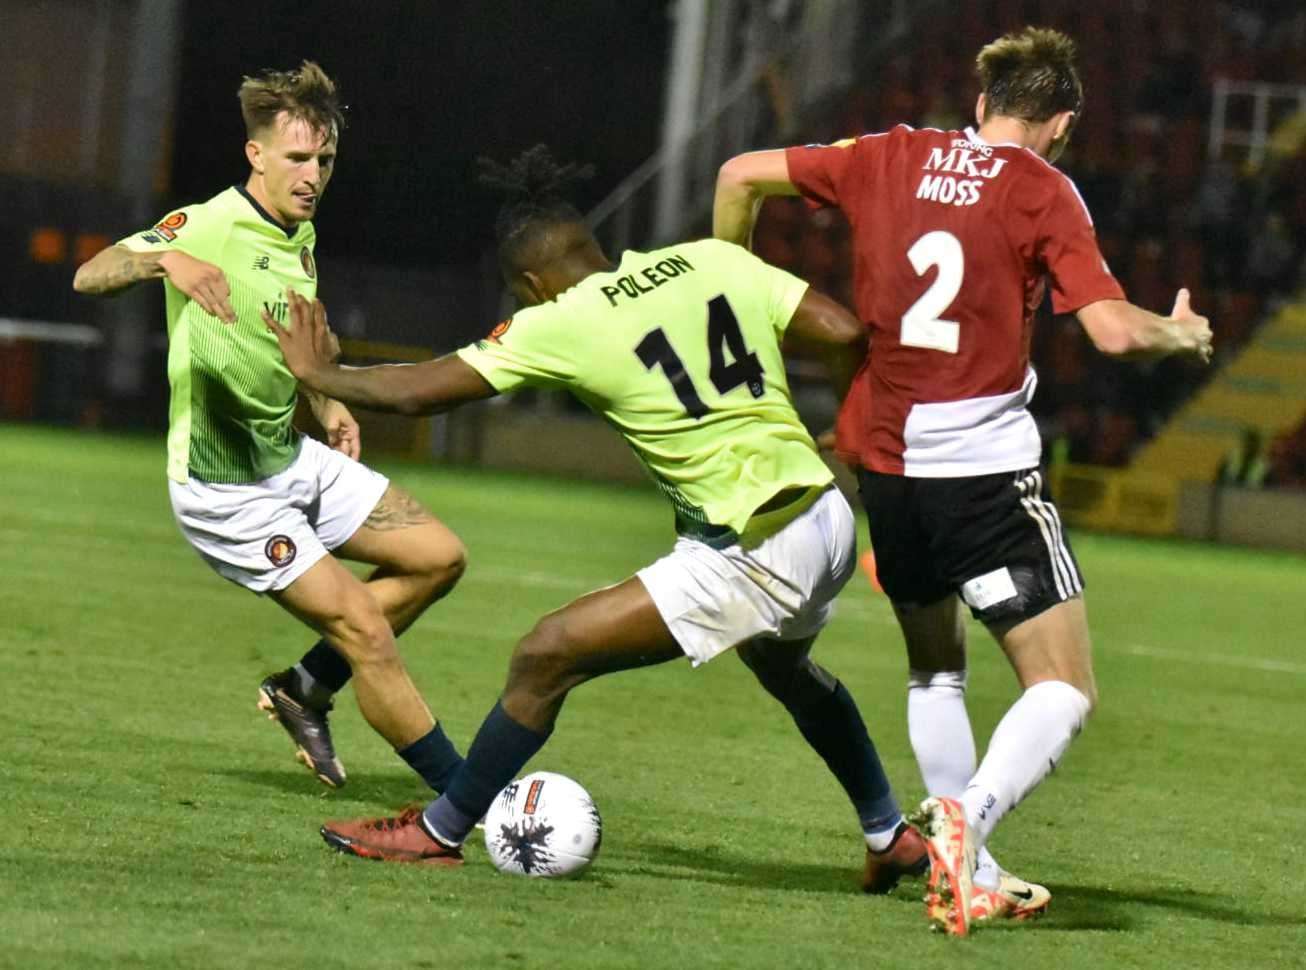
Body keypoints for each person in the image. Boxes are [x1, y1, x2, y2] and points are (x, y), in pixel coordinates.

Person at [268, 146, 928, 892]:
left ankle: (438, 830)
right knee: (784, 668)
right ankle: (888, 834)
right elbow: (843, 331)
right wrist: (854, 428)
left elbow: (424, 390)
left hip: (752, 545)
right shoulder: (709, 261)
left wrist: (318, 374)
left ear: (529, 283)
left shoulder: (561, 318)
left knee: (546, 654)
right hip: (828, 517)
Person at [713, 27, 1212, 935]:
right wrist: (1181, 332)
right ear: (1061, 122)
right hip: (983, 472)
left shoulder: (887, 153)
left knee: (936, 666)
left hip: (890, 471)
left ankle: (967, 869)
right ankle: (965, 821)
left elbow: (740, 174)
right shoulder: (1045, 190)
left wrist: (733, 296)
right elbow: (1110, 330)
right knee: (1063, 686)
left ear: (980, 104)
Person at [72, 61, 467, 796]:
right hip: (229, 492)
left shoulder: (301, 236)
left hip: (291, 459)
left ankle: (304, 689)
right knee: (365, 629)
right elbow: (91, 271)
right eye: (297, 158)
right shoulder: (212, 223)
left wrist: (328, 401)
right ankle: (469, 796)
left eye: (324, 159)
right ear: (256, 155)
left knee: (438, 556)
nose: (313, 174)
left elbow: (286, 340)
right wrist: (166, 259)